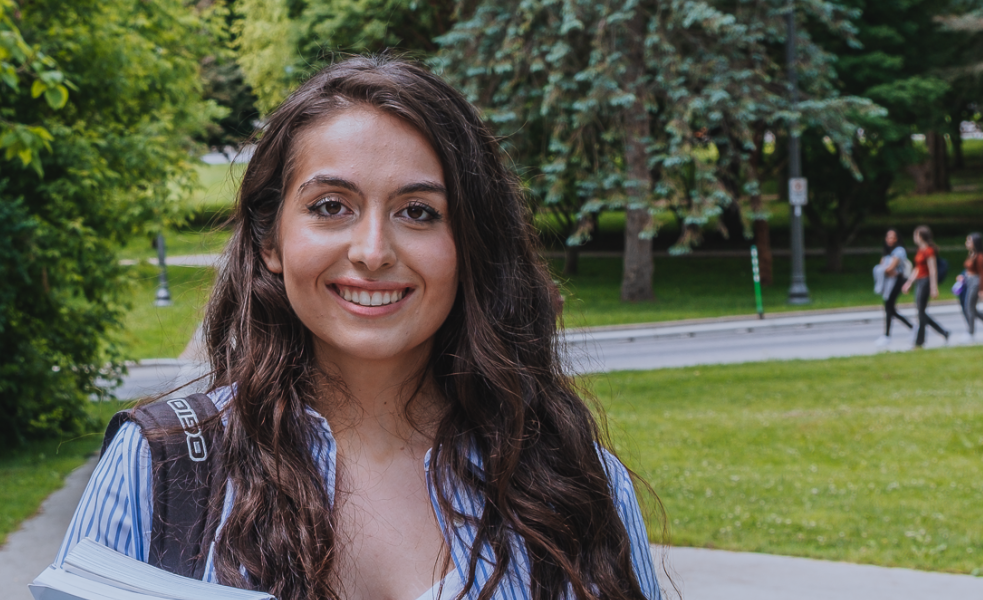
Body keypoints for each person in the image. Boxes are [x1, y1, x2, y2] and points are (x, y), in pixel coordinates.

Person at [51, 56, 662, 600]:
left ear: (471, 243)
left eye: (418, 212)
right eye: (330, 207)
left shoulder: (575, 483)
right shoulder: (161, 466)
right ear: (272, 241)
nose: (372, 251)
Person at [901, 225, 950, 348]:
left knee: (920, 312)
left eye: (915, 235)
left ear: (921, 236)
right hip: (919, 281)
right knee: (920, 312)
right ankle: (943, 332)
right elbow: (917, 268)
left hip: (926, 281)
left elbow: (933, 270)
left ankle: (920, 340)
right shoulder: (920, 250)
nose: (914, 238)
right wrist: (909, 282)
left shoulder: (929, 251)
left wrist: (934, 287)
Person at [874, 229, 913, 347]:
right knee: (890, 309)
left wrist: (885, 270)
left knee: (889, 308)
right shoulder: (887, 252)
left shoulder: (899, 251)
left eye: (893, 237)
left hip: (897, 282)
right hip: (888, 283)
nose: (890, 240)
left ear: (897, 239)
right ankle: (911, 327)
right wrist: (885, 270)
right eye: (888, 237)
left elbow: (889, 269)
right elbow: (884, 268)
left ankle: (887, 335)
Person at [956, 233, 983, 340]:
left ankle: (971, 332)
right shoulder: (972, 254)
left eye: (969, 241)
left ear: (975, 243)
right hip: (969, 281)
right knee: (971, 309)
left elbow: (982, 274)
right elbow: (968, 269)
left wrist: (982, 289)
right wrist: (962, 275)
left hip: (975, 282)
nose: (967, 243)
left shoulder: (980, 257)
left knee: (969, 307)